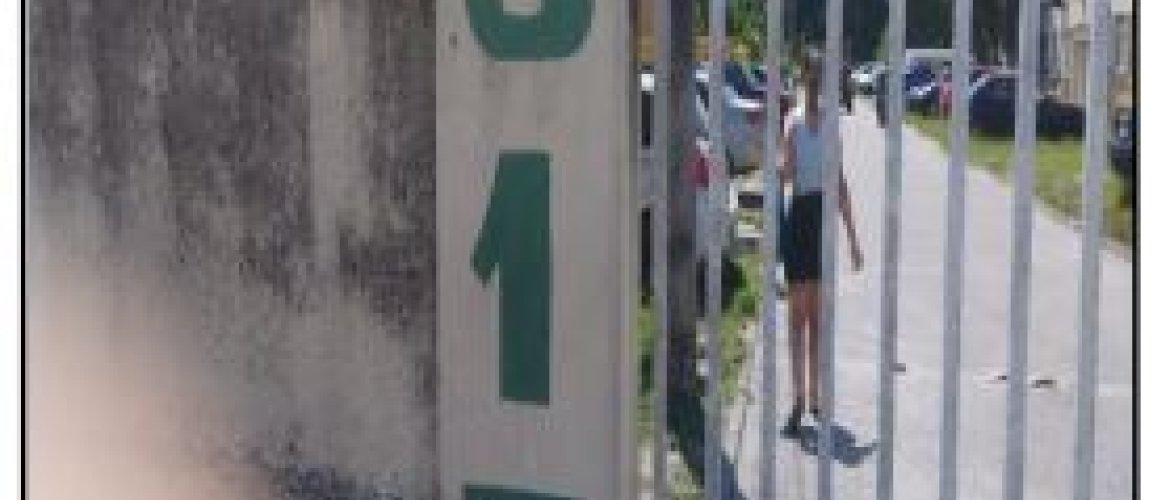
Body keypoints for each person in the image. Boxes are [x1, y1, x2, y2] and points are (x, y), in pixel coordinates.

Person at [777, 50, 864, 436]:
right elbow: (835, 181)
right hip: (815, 220)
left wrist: (779, 162)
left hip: (806, 218)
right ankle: (809, 397)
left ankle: (804, 396)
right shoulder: (821, 123)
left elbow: (790, 175)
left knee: (803, 320)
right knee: (811, 321)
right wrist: (852, 238)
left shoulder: (799, 122)